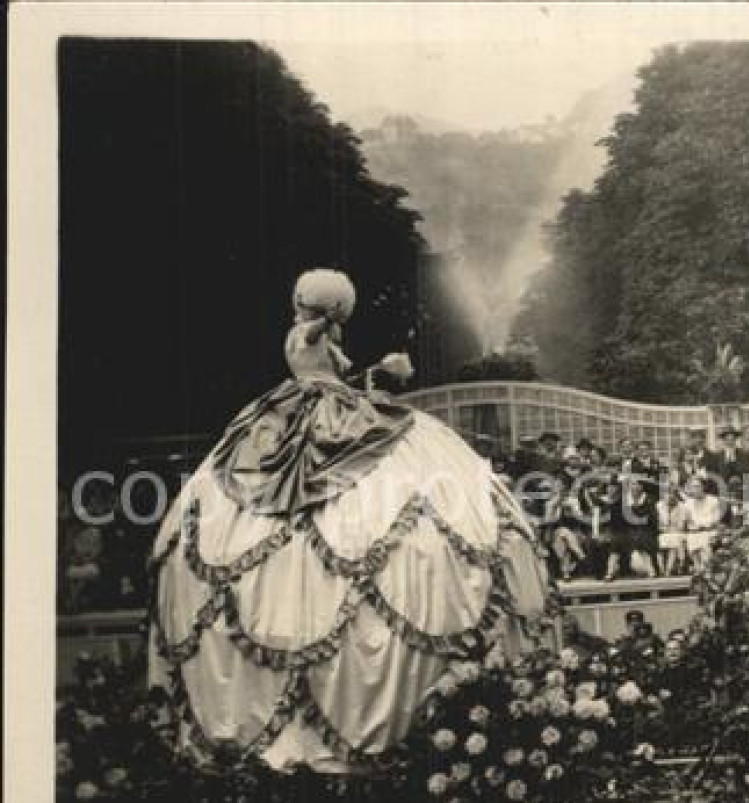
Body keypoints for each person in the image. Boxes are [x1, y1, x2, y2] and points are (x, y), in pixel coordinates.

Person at [148, 269, 552, 770]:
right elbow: (314, 357)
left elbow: (345, 378)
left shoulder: (322, 336)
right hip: (304, 415)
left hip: (343, 407)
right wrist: (328, 320)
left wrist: (381, 372)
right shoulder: (304, 333)